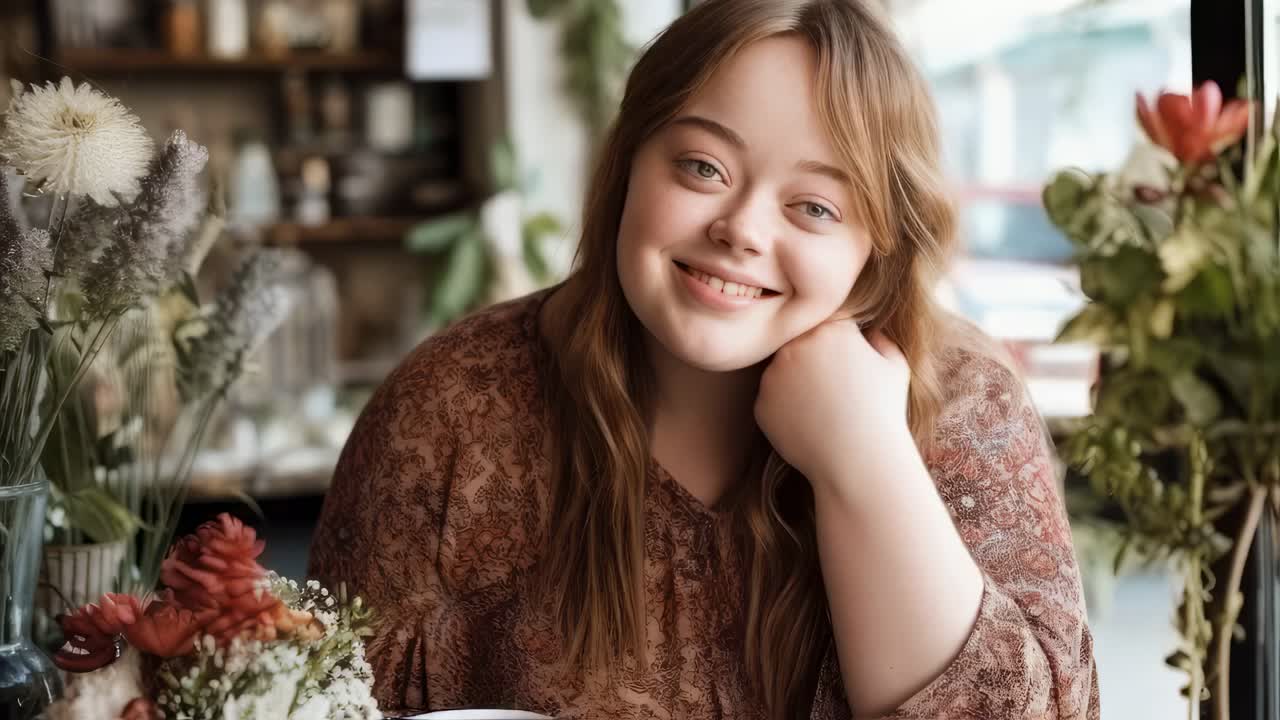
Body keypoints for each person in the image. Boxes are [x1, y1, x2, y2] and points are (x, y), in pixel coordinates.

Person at [308, 1, 1100, 717]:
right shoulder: (449, 403)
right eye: (702, 168)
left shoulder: (965, 401)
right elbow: (319, 696)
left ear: (879, 247)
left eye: (815, 207)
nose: (744, 229)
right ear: (627, 165)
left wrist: (865, 457)